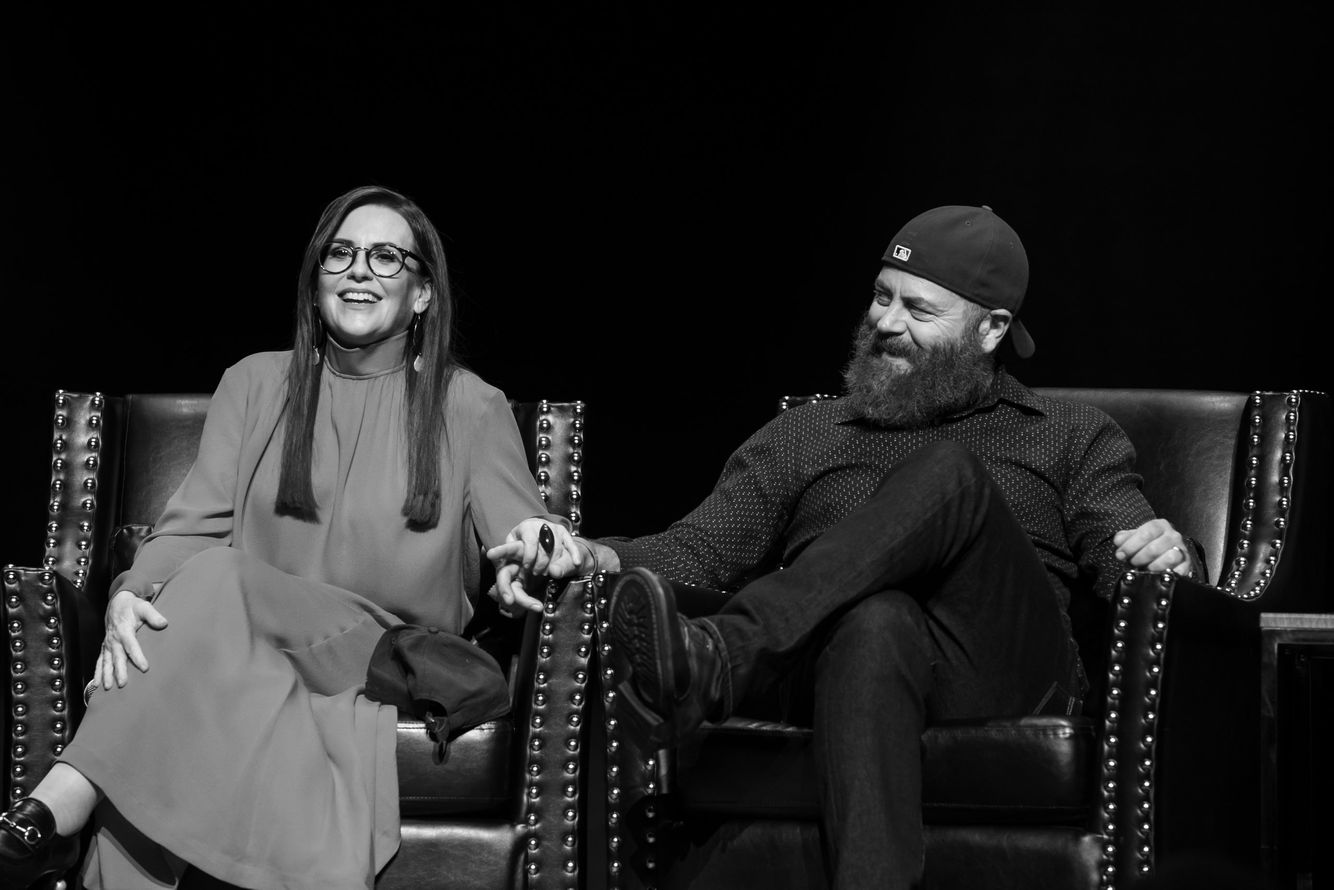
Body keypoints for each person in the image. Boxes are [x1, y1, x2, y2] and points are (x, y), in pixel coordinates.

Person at [490, 205, 1203, 890]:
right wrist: (583, 553)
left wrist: (1173, 556)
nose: (886, 323)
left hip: (1000, 672)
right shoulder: (809, 434)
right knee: (876, 619)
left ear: (990, 329)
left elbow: (1129, 559)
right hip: (840, 667)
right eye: (880, 297)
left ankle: (730, 654)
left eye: (918, 310)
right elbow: (697, 549)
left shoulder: (1070, 433)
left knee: (949, 473)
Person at [0, 185, 592, 889]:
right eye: (339, 254)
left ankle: (64, 796)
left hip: (382, 658)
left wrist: (539, 538)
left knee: (218, 578)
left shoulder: (469, 404)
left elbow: (523, 524)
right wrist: (132, 595)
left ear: (423, 294)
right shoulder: (255, 383)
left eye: (385, 257)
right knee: (194, 593)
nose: (359, 270)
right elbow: (192, 526)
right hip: (251, 654)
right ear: (316, 285)